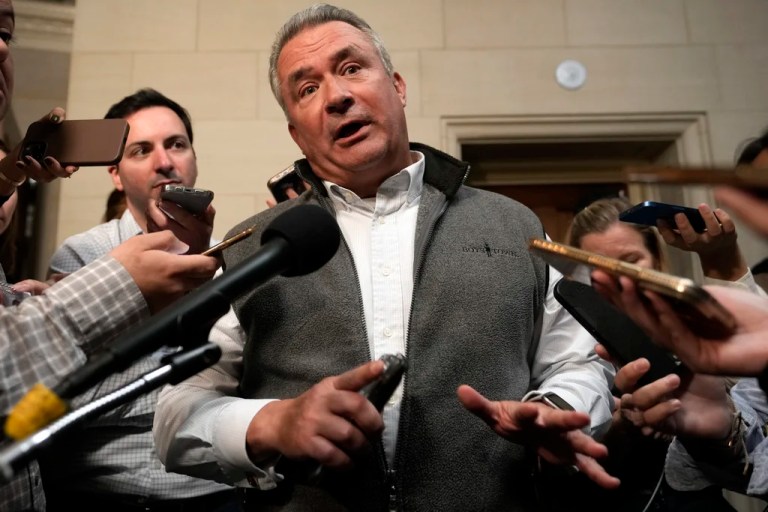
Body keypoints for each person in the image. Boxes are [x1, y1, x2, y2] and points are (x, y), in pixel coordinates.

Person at [153, 5, 617, 511]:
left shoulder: (514, 226)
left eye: (352, 68)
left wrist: (559, 407)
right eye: (307, 89)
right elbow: (175, 417)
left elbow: (576, 361)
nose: (337, 96)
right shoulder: (254, 246)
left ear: (397, 86)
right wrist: (271, 423)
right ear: (295, 133)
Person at [40, 88, 239, 512]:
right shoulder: (83, 255)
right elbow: (60, 395)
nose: (164, 161)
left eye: (176, 144)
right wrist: (203, 394)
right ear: (115, 173)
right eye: (141, 150)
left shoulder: (237, 258)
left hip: (210, 493)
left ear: (194, 159)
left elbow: (257, 382)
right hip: (96, 492)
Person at [560, 195, 748, 511]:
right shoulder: (566, 350)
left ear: (656, 259)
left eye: (631, 260)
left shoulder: (692, 329)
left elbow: (750, 431)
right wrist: (621, 429)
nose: (618, 278)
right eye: (596, 267)